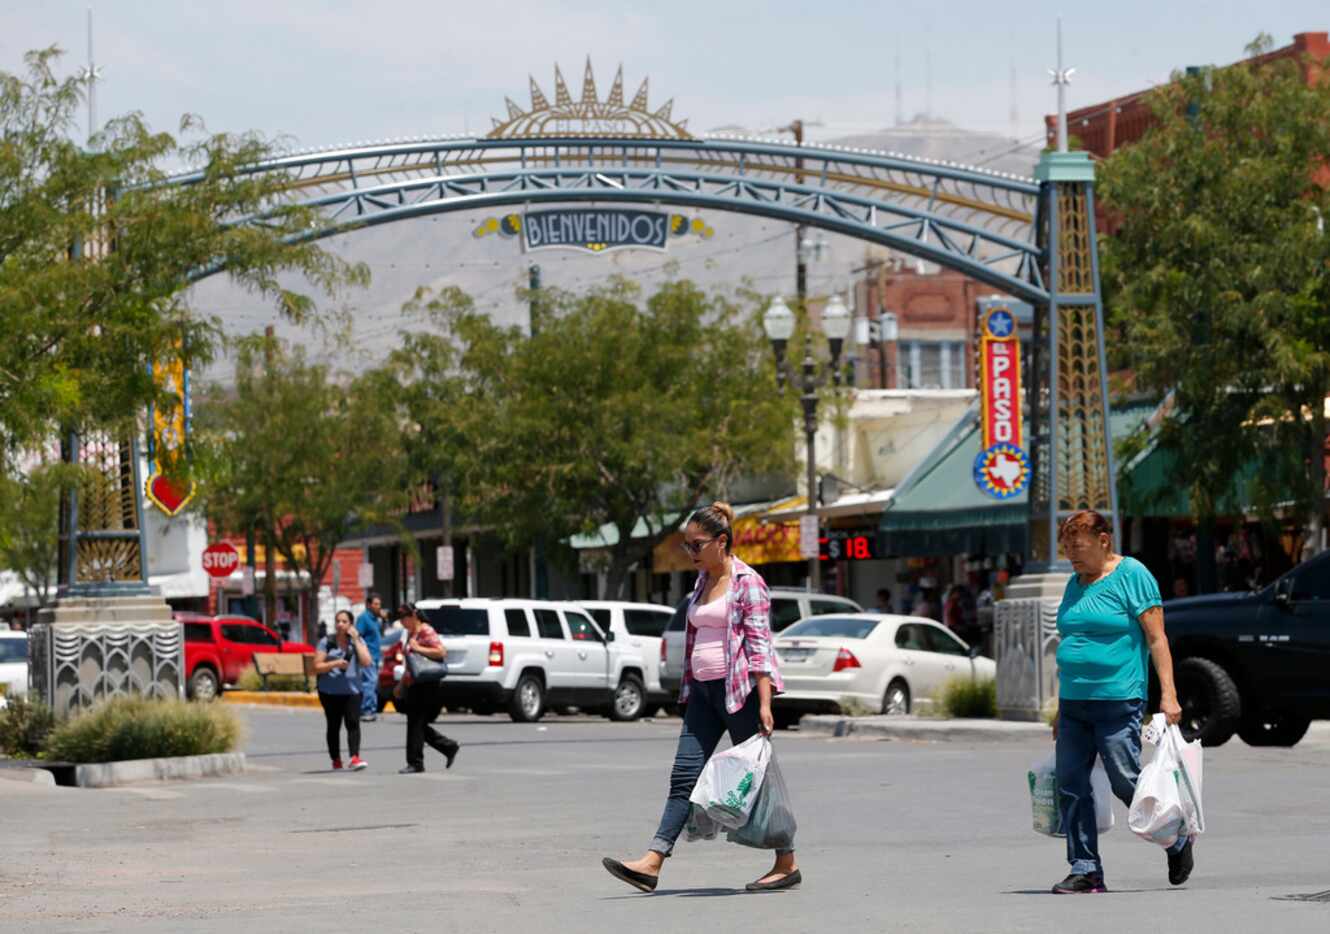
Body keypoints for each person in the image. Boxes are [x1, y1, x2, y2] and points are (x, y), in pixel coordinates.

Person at [602, 502, 800, 895]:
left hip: (739, 693)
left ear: (721, 542)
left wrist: (764, 703)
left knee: (756, 780)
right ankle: (653, 861)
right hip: (703, 695)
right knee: (683, 776)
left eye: (697, 545)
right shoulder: (702, 581)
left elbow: (760, 647)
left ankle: (787, 861)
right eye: (686, 546)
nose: (690, 553)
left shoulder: (748, 583)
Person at [1051, 509, 1194, 894]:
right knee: (1071, 783)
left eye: (1079, 547)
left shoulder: (1133, 575)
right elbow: (1071, 642)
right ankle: (1085, 870)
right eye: (1067, 550)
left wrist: (1169, 694)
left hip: (1118, 698)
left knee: (1125, 782)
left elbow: (1157, 638)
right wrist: (1059, 708)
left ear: (1104, 541)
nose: (1073, 557)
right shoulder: (1075, 583)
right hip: (1074, 703)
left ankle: (1176, 840)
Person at [394, 603, 460, 774]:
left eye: (404, 618)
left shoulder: (426, 630)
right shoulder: (411, 633)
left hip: (427, 683)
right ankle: (448, 746)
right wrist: (401, 684)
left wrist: (419, 648)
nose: (402, 622)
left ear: (414, 615)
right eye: (400, 618)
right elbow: (410, 663)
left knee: (415, 723)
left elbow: (441, 652)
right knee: (417, 724)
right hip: (414, 682)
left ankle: (416, 762)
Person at [312, 610, 372, 771]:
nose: (340, 624)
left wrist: (356, 639)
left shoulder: (357, 641)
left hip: (352, 691)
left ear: (350, 624)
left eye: (344, 621)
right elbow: (316, 666)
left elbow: (366, 662)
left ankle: (354, 757)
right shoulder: (327, 642)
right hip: (329, 692)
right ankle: (336, 759)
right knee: (333, 725)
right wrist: (335, 664)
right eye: (338, 621)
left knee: (353, 723)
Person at [355, 593, 384, 722]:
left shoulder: (376, 620)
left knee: (372, 683)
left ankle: (371, 709)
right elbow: (357, 637)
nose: (378, 607)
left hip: (376, 657)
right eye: (375, 604)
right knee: (370, 682)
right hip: (367, 656)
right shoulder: (363, 618)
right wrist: (361, 654)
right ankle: (366, 710)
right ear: (368, 605)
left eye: (379, 604)